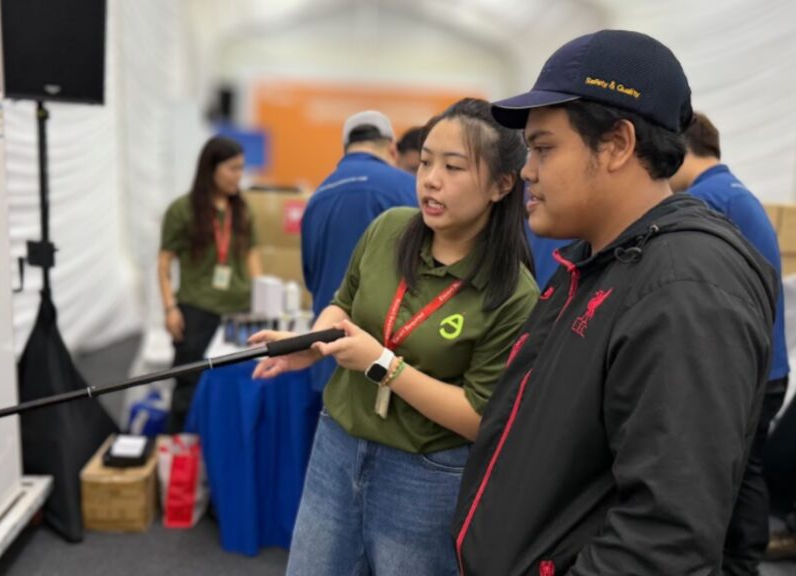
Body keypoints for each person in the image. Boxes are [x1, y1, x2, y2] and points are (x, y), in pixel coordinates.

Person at [452, 30, 778, 575]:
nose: (527, 170)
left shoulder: (684, 289)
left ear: (618, 144)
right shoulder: (597, 261)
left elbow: (662, 540)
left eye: (543, 147)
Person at [254, 98, 538, 575]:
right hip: (338, 446)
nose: (430, 178)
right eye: (425, 161)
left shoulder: (513, 293)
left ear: (502, 184)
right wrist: (314, 341)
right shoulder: (389, 229)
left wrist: (383, 364)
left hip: (425, 476)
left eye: (453, 167)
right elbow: (344, 301)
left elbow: (479, 418)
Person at [669, 111, 789, 575]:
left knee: (730, 478)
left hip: (748, 372)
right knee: (746, 472)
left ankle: (738, 565)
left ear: (681, 148)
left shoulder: (705, 201)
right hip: (770, 366)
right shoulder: (735, 191)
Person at [302, 110, 417, 392]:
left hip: (325, 356)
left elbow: (310, 276)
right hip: (387, 366)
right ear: (392, 148)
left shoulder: (316, 198)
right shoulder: (408, 188)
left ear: (345, 150)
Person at [158, 135, 260, 433]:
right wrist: (169, 308)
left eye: (241, 169)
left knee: (232, 389)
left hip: (238, 312)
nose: (238, 176)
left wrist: (260, 296)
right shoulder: (182, 210)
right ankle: (179, 459)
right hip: (197, 310)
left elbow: (251, 254)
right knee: (188, 388)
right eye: (232, 169)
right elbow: (164, 263)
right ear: (211, 168)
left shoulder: (242, 209)